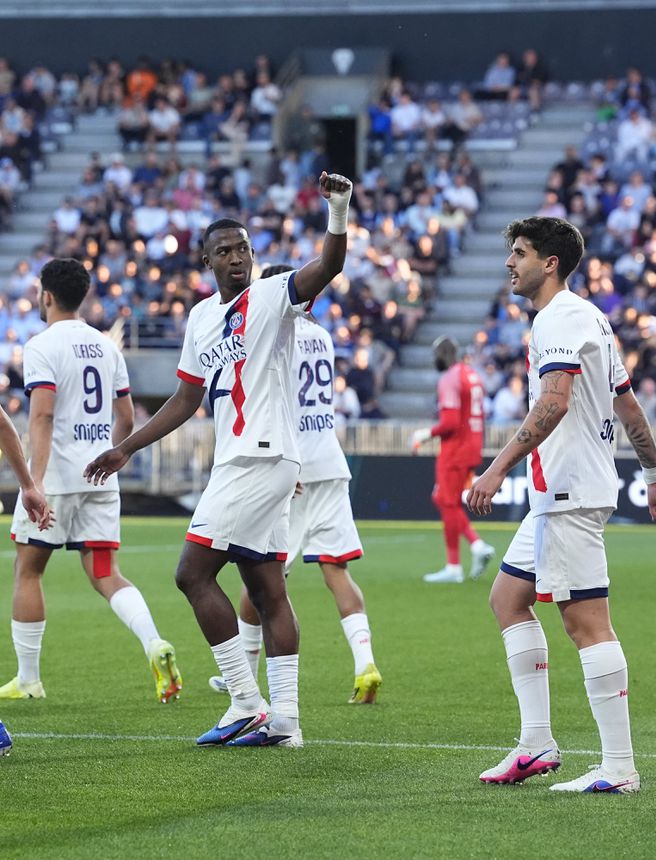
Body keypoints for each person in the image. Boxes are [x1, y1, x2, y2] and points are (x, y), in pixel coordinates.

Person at [84, 171, 353, 748]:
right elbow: (186, 398)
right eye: (225, 252)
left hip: (258, 458)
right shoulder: (203, 319)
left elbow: (327, 266)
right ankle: (285, 721)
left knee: (191, 573)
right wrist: (127, 446)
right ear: (207, 260)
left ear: (255, 255)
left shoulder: (273, 298)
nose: (237, 258)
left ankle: (244, 701)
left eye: (245, 249)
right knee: (265, 590)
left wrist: (338, 209)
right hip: (252, 459)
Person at [465, 216, 656, 793]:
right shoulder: (592, 318)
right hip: (558, 494)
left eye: (518, 252)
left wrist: (494, 469)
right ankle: (536, 744)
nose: (510, 262)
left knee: (585, 623)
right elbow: (627, 406)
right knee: (508, 598)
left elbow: (554, 404)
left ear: (549, 262)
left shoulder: (557, 320)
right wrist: (655, 474)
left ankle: (619, 767)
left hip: (566, 492)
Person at [0, 258, 182, 704]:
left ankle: (28, 679)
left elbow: (41, 414)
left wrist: (34, 483)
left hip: (56, 478)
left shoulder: (42, 344)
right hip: (99, 475)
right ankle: (154, 643)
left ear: (46, 296)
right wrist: (109, 456)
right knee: (105, 571)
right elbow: (125, 417)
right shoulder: (106, 347)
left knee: (28, 569)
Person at [209, 265, 382, 705]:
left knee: (260, 573)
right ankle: (365, 663)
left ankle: (241, 676)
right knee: (336, 569)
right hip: (330, 458)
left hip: (294, 464)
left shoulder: (272, 333)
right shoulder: (321, 335)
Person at [411, 336, 495, 584]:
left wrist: (424, 434)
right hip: (472, 444)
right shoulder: (471, 374)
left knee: (447, 501)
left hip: (455, 449)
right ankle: (476, 547)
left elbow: (449, 422)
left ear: (441, 355)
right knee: (442, 498)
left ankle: (455, 565)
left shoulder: (449, 378)